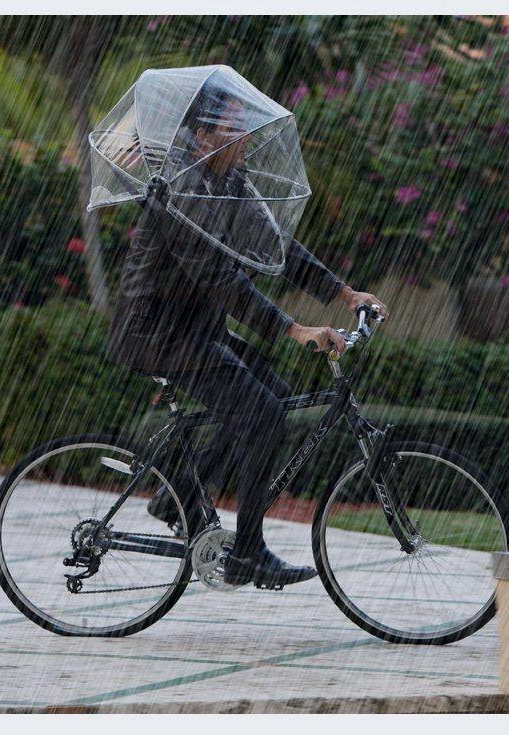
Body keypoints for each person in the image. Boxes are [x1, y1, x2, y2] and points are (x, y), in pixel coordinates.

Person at [106, 90, 388, 589]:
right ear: (202, 136)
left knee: (271, 394)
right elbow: (221, 281)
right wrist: (292, 328)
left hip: (193, 330)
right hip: (156, 333)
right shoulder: (181, 190)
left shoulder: (227, 183)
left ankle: (178, 495)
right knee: (263, 417)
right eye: (233, 129)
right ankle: (248, 554)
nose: (245, 139)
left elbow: (275, 246)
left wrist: (345, 295)